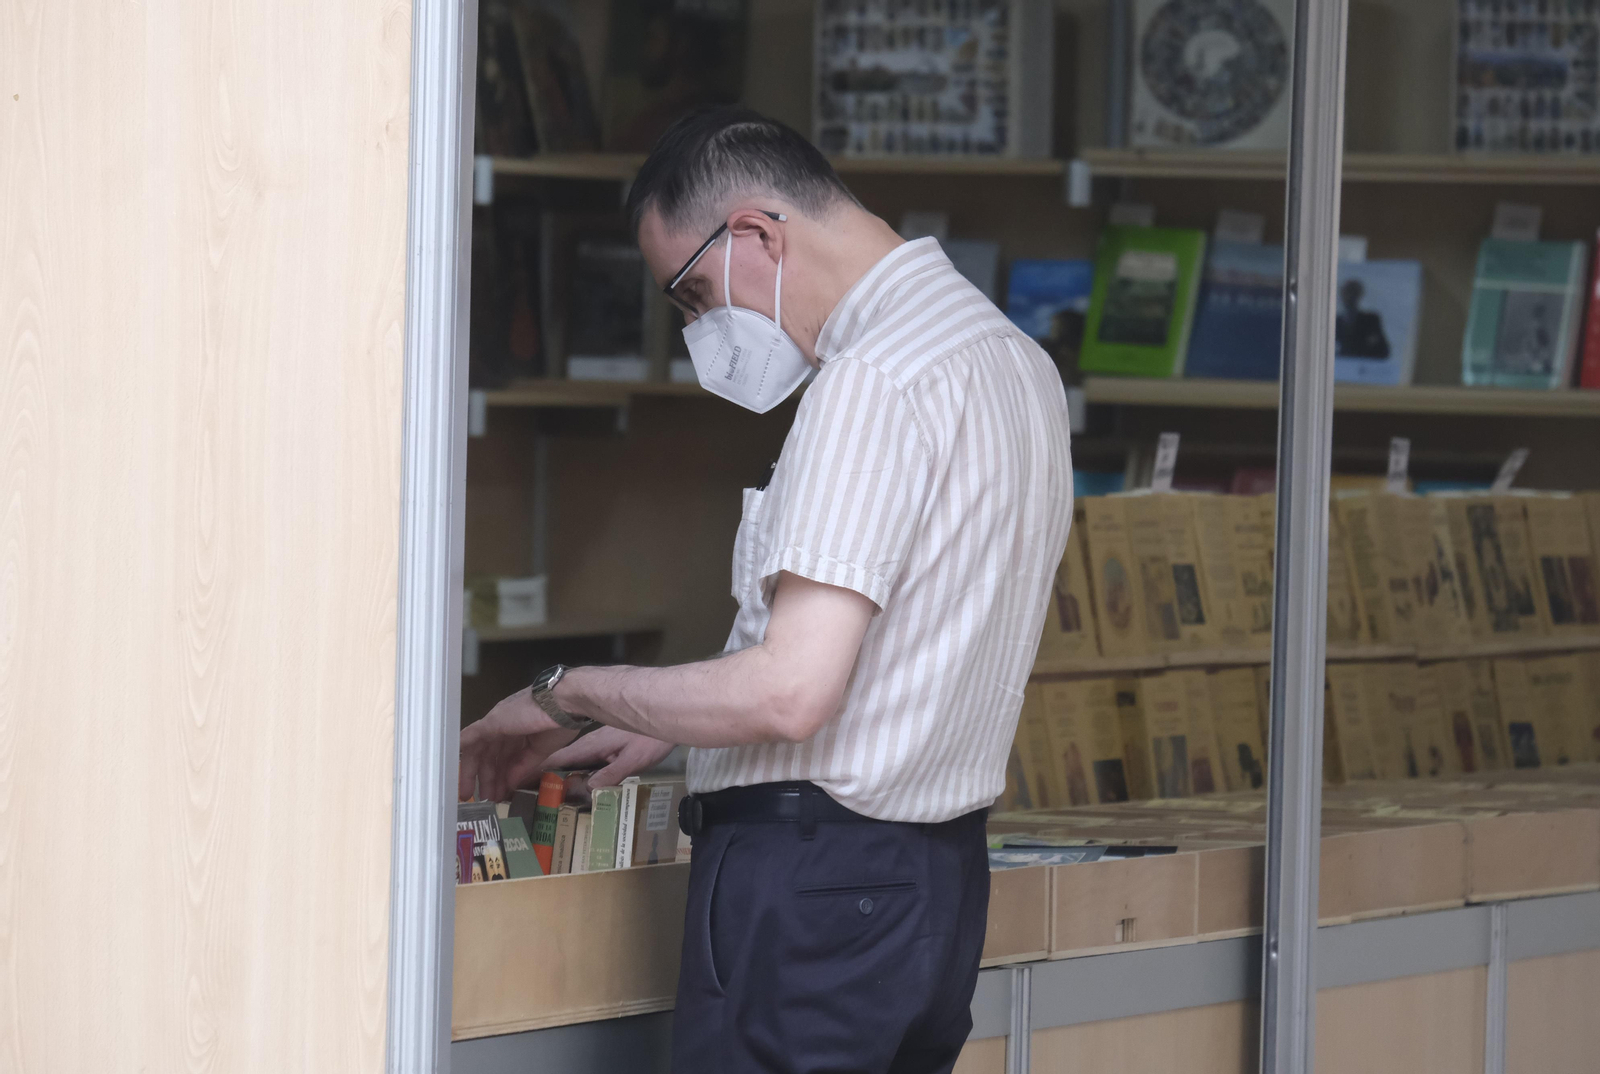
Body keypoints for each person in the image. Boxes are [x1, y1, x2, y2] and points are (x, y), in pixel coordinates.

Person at [457, 107, 1073, 1074]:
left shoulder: (872, 380)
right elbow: (901, 651)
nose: (699, 329)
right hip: (937, 882)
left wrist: (568, 692)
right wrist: (674, 720)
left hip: (815, 890)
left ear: (756, 234)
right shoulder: (1010, 360)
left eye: (695, 294)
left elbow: (790, 693)